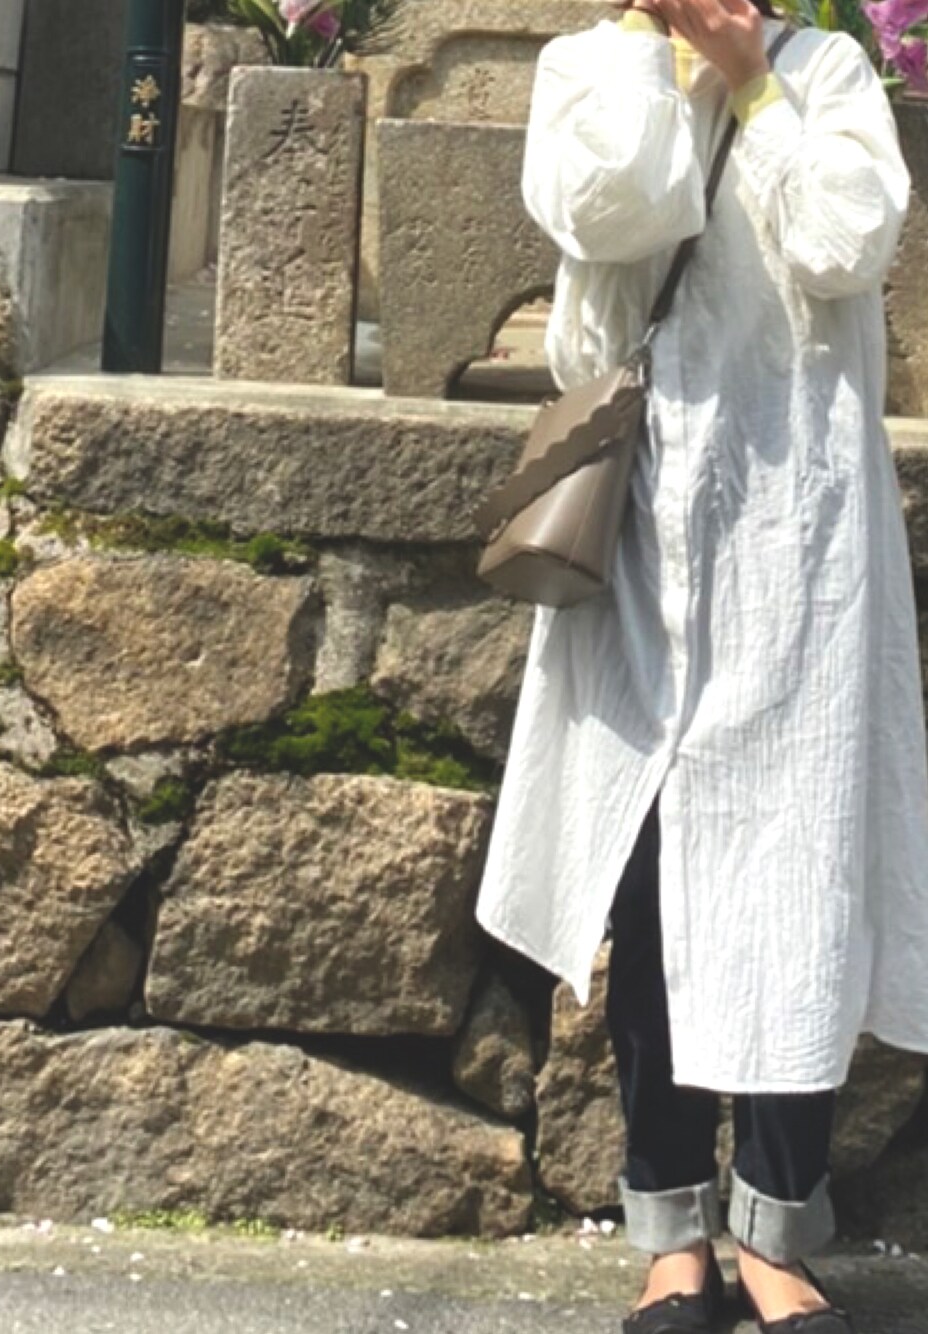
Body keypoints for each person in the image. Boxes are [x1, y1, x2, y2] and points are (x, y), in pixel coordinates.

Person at [472, 0, 928, 1330]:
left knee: (803, 878)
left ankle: (777, 1231)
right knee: (651, 884)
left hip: (803, 546)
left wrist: (754, 86)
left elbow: (847, 240)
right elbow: (608, 213)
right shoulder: (588, 68)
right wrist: (668, 64)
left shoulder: (828, 71)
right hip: (639, 544)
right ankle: (669, 1232)